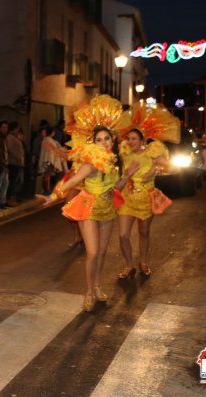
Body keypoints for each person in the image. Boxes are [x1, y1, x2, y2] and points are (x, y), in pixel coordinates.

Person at [36, 95, 138, 312]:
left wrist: (127, 175)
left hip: (107, 209)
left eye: (107, 139)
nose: (104, 143)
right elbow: (72, 180)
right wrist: (52, 197)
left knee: (101, 252)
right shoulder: (91, 162)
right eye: (99, 140)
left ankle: (98, 285)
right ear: (94, 142)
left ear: (113, 140)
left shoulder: (114, 162)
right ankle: (89, 291)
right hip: (89, 208)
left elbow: (116, 188)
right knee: (92, 252)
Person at [116, 105, 179, 279]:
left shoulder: (152, 154)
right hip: (127, 197)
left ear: (143, 141)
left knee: (144, 233)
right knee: (122, 235)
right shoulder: (125, 154)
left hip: (145, 198)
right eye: (129, 138)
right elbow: (121, 174)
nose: (130, 142)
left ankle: (143, 262)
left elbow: (173, 168)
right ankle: (129, 265)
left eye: (134, 139)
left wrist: (156, 171)